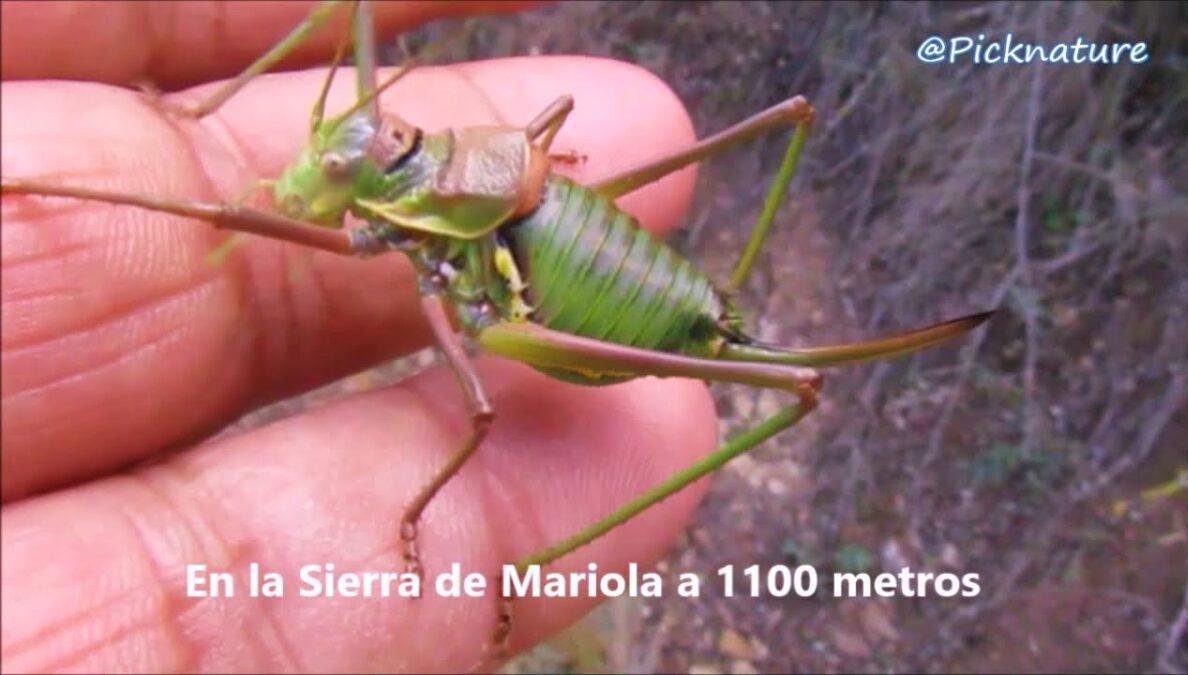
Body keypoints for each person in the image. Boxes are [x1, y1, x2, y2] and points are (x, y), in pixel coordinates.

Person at [0, 2, 717, 671]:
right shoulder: (405, 161)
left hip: (580, 290)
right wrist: (192, 109)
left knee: (486, 395)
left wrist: (412, 521)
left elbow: (481, 414)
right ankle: (179, 121)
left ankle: (531, 564)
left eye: (335, 165)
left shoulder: (397, 224)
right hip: (534, 210)